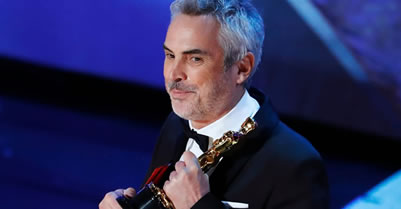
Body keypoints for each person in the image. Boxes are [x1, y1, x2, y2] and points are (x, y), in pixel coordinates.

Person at [99, 0, 329, 208]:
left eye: (195, 59)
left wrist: (200, 205)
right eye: (170, 55)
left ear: (242, 68)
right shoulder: (175, 126)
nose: (174, 74)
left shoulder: (296, 165)